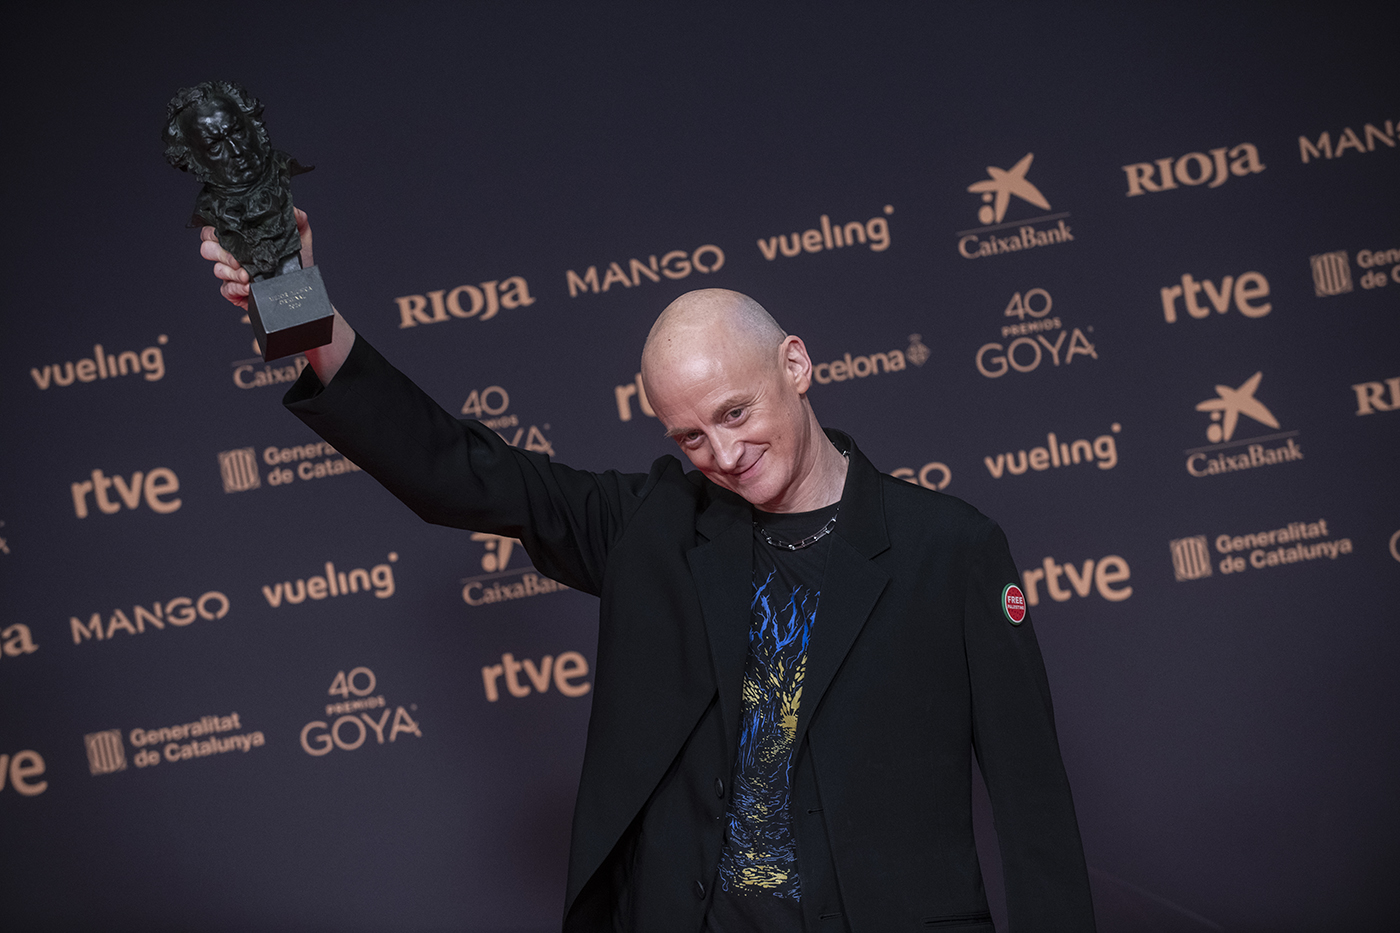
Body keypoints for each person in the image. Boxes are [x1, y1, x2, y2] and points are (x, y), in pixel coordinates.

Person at [201, 214, 1095, 932]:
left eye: (736, 412)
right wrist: (288, 291)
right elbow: (454, 469)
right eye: (691, 436)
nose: (725, 454)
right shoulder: (653, 527)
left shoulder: (951, 548)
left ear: (795, 365)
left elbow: (1036, 811)